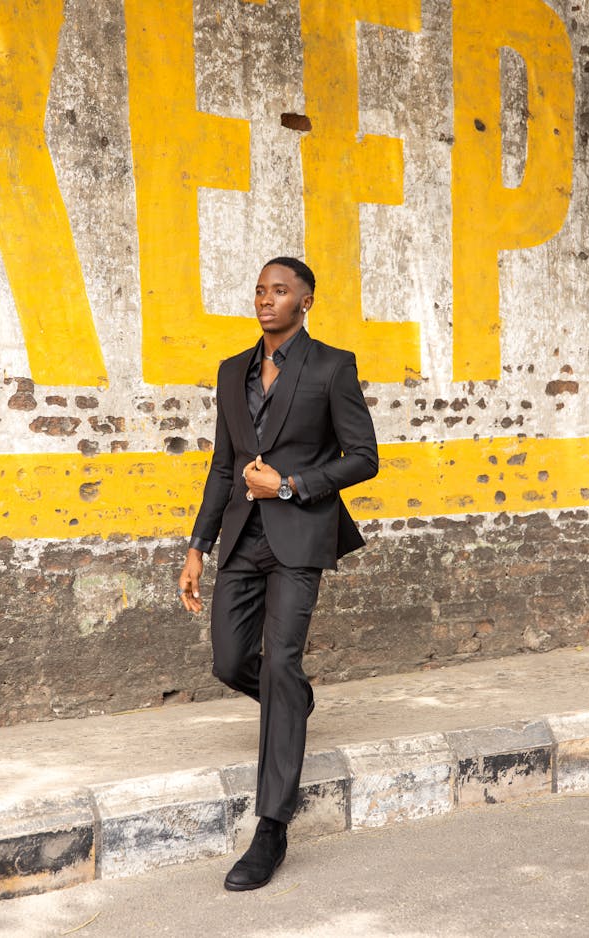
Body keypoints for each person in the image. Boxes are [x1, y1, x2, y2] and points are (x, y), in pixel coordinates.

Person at [178, 256, 378, 891]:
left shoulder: (331, 366)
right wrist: (197, 547)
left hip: (298, 537)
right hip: (240, 538)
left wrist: (291, 485)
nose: (267, 299)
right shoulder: (232, 370)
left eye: (281, 290)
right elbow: (222, 465)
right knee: (230, 660)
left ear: (306, 300)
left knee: (281, 662)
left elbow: (364, 457)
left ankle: (270, 829)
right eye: (261, 290)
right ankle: (293, 705)